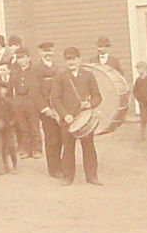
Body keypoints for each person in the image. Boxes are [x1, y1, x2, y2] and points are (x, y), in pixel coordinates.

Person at [49, 47, 102, 185]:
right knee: (68, 148)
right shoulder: (60, 77)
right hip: (68, 120)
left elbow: (97, 96)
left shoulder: (88, 75)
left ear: (79, 59)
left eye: (73, 58)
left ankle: (92, 176)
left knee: (89, 147)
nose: (71, 62)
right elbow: (55, 99)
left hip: (84, 119)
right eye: (68, 59)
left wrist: (90, 104)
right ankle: (68, 177)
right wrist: (65, 115)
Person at [30, 41, 63, 176]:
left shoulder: (57, 68)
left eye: (50, 51)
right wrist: (45, 109)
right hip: (47, 111)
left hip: (59, 109)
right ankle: (54, 169)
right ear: (40, 53)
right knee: (52, 139)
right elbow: (35, 92)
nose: (48, 54)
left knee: (60, 138)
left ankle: (60, 166)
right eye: (45, 51)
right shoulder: (36, 69)